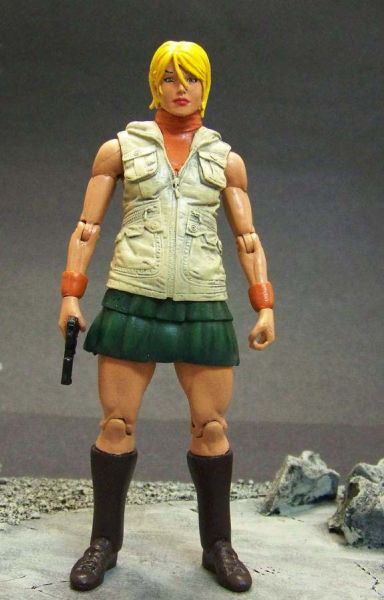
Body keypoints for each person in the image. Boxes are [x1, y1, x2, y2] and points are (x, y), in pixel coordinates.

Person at [58, 40, 275, 594]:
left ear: (206, 85)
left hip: (202, 300)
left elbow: (248, 237)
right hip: (133, 294)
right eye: (171, 77)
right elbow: (87, 227)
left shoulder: (224, 159)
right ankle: (104, 542)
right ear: (155, 83)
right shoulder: (120, 150)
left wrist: (263, 302)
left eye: (192, 78)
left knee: (211, 427)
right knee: (116, 423)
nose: (181, 88)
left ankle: (218, 544)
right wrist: (70, 295)